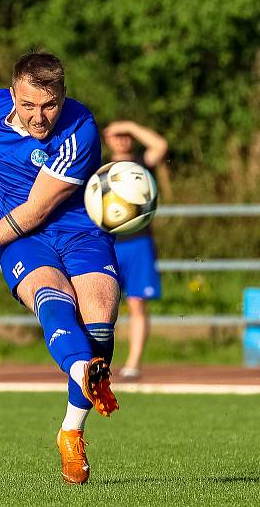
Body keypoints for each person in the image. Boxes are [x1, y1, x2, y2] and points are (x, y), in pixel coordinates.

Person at [0, 52, 120, 485]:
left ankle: (71, 431)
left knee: (99, 322)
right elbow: (26, 222)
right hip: (24, 240)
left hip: (80, 231)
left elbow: (36, 209)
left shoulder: (81, 131)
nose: (39, 117)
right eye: (29, 105)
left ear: (63, 95)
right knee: (51, 298)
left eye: (50, 105)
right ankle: (82, 372)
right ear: (12, 94)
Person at [103, 121, 167, 380]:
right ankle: (97, 362)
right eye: (115, 135)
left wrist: (129, 125)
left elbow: (160, 145)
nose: (121, 139)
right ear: (106, 138)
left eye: (125, 136)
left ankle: (133, 363)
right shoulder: (99, 170)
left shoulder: (141, 163)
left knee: (137, 303)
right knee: (100, 302)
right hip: (107, 244)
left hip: (139, 243)